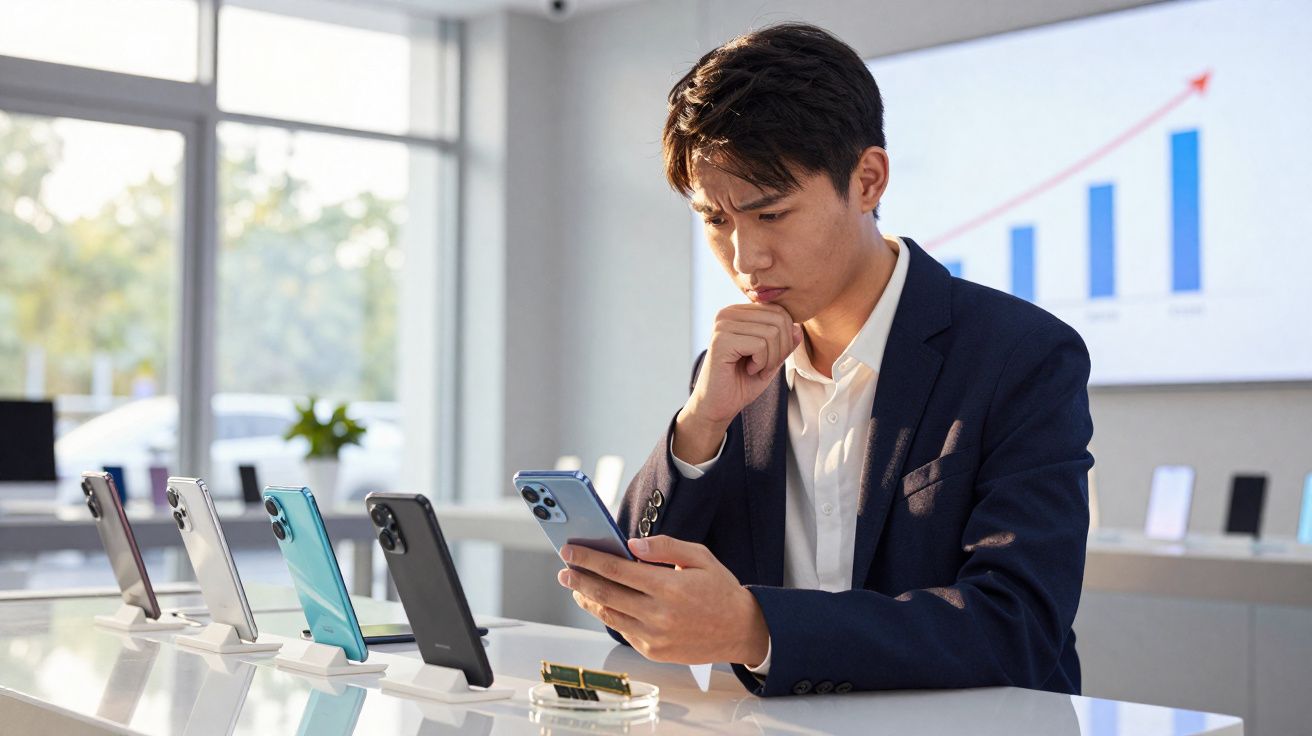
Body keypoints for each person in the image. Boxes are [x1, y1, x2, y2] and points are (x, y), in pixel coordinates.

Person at [553, 22, 1094, 697]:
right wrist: (699, 427)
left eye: (771, 214)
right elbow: (631, 610)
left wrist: (758, 630)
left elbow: (1017, 627)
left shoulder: (1021, 356)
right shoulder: (732, 373)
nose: (745, 258)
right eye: (716, 220)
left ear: (868, 181)